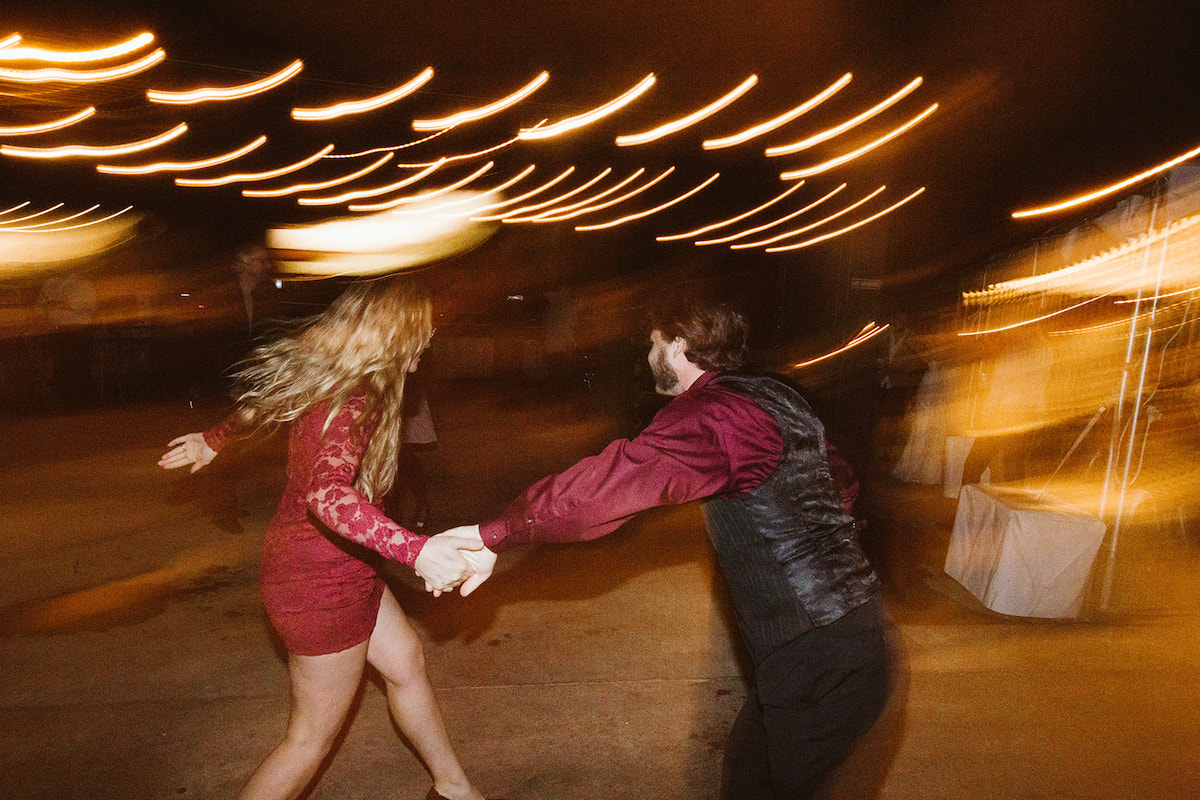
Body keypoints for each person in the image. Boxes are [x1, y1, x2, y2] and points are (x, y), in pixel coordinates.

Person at [440, 299, 896, 799]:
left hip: (818, 658)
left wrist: (498, 533)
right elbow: (843, 486)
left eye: (654, 341)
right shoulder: (776, 392)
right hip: (839, 642)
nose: (648, 351)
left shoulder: (712, 416)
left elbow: (605, 488)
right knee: (747, 774)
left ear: (678, 344)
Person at [158, 278, 487, 800]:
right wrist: (416, 550)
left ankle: (453, 788)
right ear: (399, 335)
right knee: (308, 739)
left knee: (406, 663)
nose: (429, 340)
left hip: (341, 567)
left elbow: (267, 400)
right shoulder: (364, 395)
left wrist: (213, 440)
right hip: (318, 584)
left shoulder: (335, 376)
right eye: (425, 329)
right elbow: (326, 493)